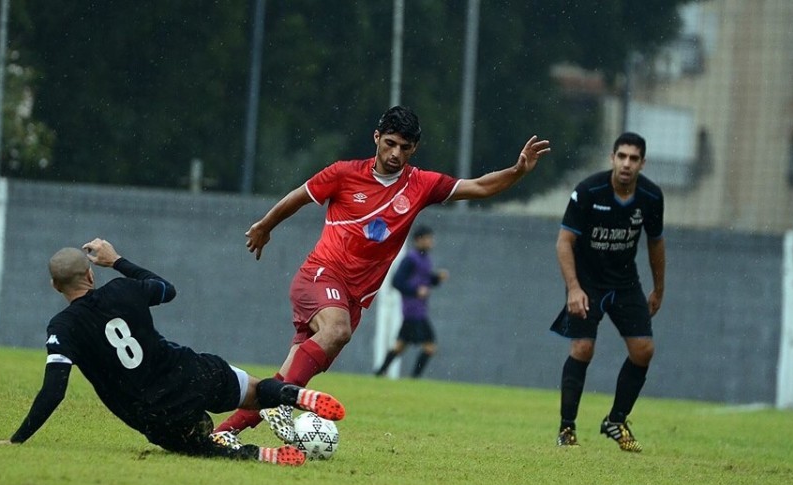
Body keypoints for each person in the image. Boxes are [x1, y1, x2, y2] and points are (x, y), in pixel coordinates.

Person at [216, 105, 550, 438]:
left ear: (414, 148)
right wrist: (265, 226)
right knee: (337, 331)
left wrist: (517, 171)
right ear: (376, 137)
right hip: (321, 274)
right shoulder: (343, 173)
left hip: (354, 298)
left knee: (287, 379)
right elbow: (299, 196)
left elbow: (479, 187)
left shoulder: (421, 184)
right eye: (390, 143)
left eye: (405, 147)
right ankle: (284, 405)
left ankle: (224, 433)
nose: (395, 154)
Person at [0, 238, 345, 466]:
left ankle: (260, 455)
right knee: (255, 391)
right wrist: (117, 260)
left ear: (55, 286)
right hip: (188, 371)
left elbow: (54, 391)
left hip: (153, 411)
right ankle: (297, 395)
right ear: (90, 275)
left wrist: (16, 439)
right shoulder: (123, 290)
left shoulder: (62, 327)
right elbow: (166, 288)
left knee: (198, 445)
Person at [550, 132, 665, 452]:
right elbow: (564, 242)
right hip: (587, 281)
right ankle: (567, 428)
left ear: (643, 163)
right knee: (583, 348)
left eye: (634, 158)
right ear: (612, 158)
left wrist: (659, 289)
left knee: (643, 350)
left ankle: (616, 420)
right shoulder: (589, 191)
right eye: (622, 156)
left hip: (625, 282)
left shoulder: (651, 196)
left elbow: (656, 243)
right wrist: (573, 288)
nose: (627, 164)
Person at [374, 225, 448, 378]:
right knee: (430, 346)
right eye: (428, 239)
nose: (431, 242)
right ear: (418, 240)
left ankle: (380, 373)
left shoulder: (425, 259)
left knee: (400, 346)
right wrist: (415, 291)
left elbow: (424, 280)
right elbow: (396, 281)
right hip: (413, 311)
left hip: (417, 310)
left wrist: (436, 279)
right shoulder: (410, 259)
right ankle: (414, 378)